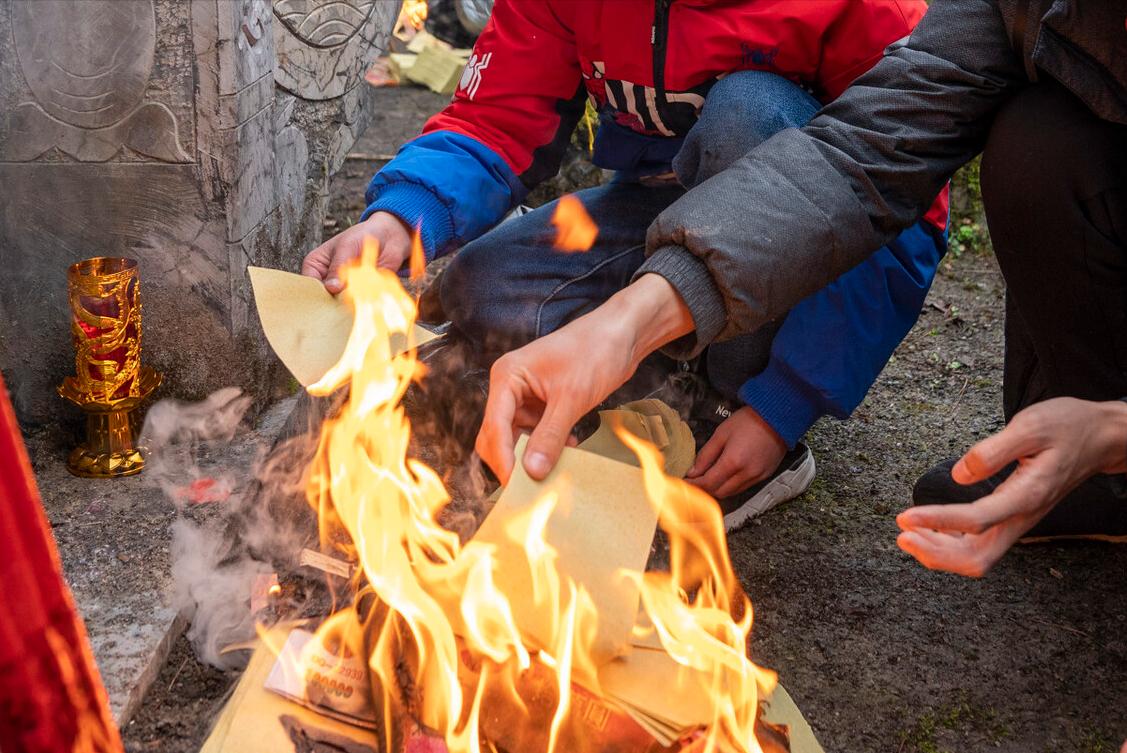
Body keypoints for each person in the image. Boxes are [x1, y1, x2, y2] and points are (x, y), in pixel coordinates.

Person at [475, 0, 1127, 576]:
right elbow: (860, 158)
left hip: (761, 192)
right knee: (1043, 143)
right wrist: (626, 323)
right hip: (668, 209)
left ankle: (729, 409)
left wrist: (1109, 430)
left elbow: (906, 230)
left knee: (749, 112)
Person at [303, 0, 949, 530]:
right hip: (654, 211)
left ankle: (729, 404)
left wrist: (781, 406)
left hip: (789, 230)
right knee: (481, 290)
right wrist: (399, 218)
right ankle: (661, 371)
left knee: (745, 113)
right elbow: (498, 115)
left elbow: (901, 211)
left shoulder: (865, 8)